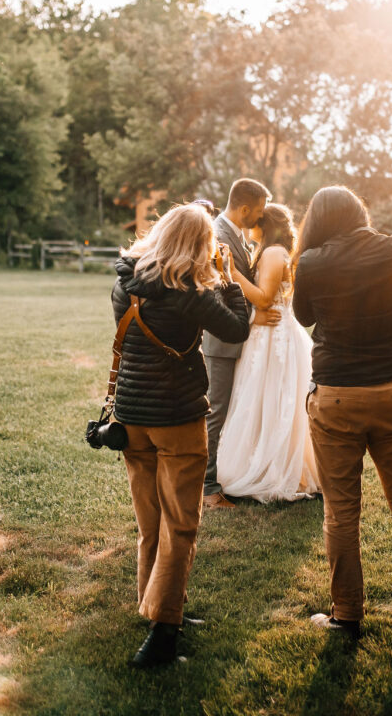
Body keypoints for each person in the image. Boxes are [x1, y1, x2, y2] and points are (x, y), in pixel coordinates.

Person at [291, 185, 392, 638]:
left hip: (336, 396)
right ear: (359, 212)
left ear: (318, 220)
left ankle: (347, 614)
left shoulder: (313, 261)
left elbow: (303, 318)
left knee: (340, 511)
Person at [111, 203, 250, 667]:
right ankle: (164, 630)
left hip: (131, 417)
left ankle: (154, 603)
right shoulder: (189, 289)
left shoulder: (126, 280)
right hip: (177, 417)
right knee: (181, 525)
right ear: (199, 244)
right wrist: (228, 279)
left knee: (150, 520)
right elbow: (236, 329)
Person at [216, 204, 320, 502]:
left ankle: (274, 469)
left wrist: (232, 272)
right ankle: (257, 460)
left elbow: (263, 299)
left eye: (256, 221)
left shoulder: (275, 253)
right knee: (257, 400)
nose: (250, 225)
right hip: (264, 334)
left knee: (274, 400)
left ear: (265, 224)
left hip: (275, 338)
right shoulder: (268, 251)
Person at [201, 178, 276, 509]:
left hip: (235, 340)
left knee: (226, 411)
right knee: (214, 412)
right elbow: (215, 290)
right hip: (220, 340)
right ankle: (206, 488)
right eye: (258, 212)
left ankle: (224, 475)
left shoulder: (236, 235)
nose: (260, 218)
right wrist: (251, 320)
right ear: (244, 208)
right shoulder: (217, 235)